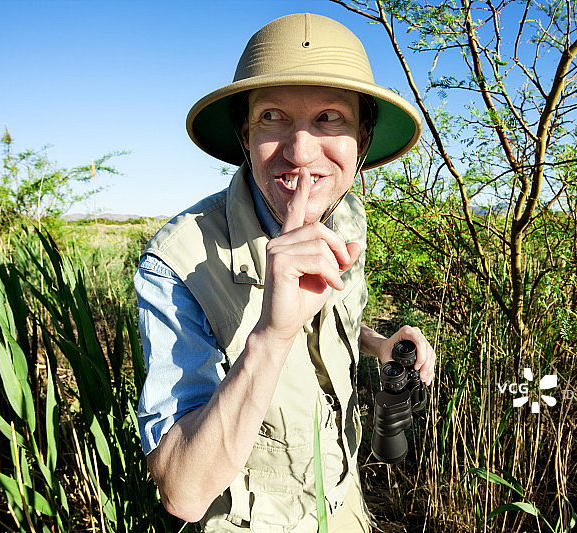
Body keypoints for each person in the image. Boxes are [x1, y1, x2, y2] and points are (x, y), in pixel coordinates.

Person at [135, 13, 436, 532]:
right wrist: (270, 336)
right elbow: (181, 490)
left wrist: (379, 344)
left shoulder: (345, 215)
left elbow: (337, 313)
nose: (300, 152)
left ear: (362, 138)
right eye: (272, 116)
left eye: (329, 118)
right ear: (244, 132)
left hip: (344, 506)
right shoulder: (177, 264)